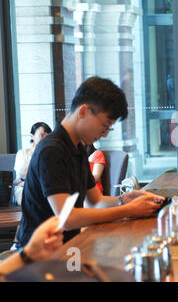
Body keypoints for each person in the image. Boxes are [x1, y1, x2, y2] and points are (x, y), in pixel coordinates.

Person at [16, 76, 164, 249]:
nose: (105, 133)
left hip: (67, 248)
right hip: (39, 256)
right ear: (83, 111)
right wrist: (129, 210)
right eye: (104, 125)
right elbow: (67, 218)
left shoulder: (78, 147)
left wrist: (124, 200)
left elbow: (95, 201)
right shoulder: (51, 150)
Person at [13, 122, 52, 205]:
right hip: (23, 188)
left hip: (44, 188)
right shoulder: (22, 153)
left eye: (48, 136)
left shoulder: (51, 154)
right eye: (42, 135)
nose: (45, 138)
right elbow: (22, 174)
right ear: (32, 136)